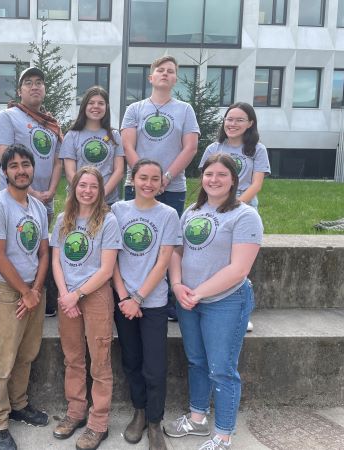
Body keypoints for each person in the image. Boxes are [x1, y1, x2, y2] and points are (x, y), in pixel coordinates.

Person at [163, 153, 263, 450]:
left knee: (221, 368)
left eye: (222, 175)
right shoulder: (193, 210)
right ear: (202, 178)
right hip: (189, 299)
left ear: (233, 180)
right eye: (209, 174)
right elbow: (177, 251)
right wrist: (178, 285)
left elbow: (239, 269)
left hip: (225, 301)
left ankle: (223, 434)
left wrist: (199, 292)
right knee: (196, 361)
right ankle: (197, 418)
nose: (214, 180)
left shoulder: (245, 215)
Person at [0, 144, 50, 450]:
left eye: (26, 164)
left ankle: (19, 404)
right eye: (14, 166)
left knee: (27, 354)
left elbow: (44, 251)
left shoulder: (37, 207)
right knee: (4, 358)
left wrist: (35, 290)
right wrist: (25, 291)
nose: (21, 170)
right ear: (4, 172)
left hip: (34, 291)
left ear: (33, 168)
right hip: (10, 293)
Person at [121, 55, 200, 321]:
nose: (165, 74)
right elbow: (128, 146)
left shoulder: (185, 110)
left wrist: (166, 176)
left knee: (170, 244)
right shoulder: (135, 109)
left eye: (171, 71)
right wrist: (145, 177)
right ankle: (127, 295)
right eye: (160, 70)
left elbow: (190, 147)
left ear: (176, 79)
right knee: (136, 240)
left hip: (173, 186)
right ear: (151, 77)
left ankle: (166, 301)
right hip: (137, 186)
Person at [50, 166, 122, 450]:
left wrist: (77, 294)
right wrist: (66, 294)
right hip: (68, 297)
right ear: (74, 188)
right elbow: (56, 260)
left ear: (100, 190)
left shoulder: (108, 221)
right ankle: (76, 412)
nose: (87, 190)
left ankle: (98, 423)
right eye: (82, 185)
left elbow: (106, 269)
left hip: (94, 297)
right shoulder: (62, 219)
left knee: (100, 361)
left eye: (93, 186)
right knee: (73, 358)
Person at [111, 159, 181, 450]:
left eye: (155, 179)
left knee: (154, 365)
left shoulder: (168, 214)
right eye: (143, 178)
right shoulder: (117, 210)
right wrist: (125, 297)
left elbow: (164, 259)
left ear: (161, 184)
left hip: (152, 302)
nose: (148, 184)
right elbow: (111, 258)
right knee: (131, 361)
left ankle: (155, 422)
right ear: (132, 179)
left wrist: (139, 297)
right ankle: (138, 412)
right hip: (123, 299)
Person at [0, 66, 62, 317]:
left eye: (39, 83)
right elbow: (4, 155)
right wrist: (31, 191)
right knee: (16, 247)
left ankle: (38, 294)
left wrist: (51, 191)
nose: (35, 86)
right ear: (20, 90)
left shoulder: (51, 122)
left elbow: (57, 160)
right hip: (18, 197)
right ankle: (14, 295)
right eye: (29, 83)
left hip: (45, 198)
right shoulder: (9, 116)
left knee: (38, 248)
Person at [199, 102, 270, 333]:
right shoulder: (213, 148)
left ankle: (242, 311)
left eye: (240, 120)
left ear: (250, 123)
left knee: (240, 264)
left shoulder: (257, 149)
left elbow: (257, 183)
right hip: (214, 210)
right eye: (229, 119)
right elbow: (207, 178)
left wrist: (234, 205)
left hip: (243, 210)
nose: (233, 124)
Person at [61, 86, 124, 205]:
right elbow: (70, 173)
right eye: (91, 103)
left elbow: (119, 170)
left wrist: (101, 195)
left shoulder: (114, 136)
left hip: (107, 202)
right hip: (79, 202)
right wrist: (85, 194)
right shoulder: (72, 135)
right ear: (84, 106)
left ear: (106, 107)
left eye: (101, 103)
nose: (96, 106)